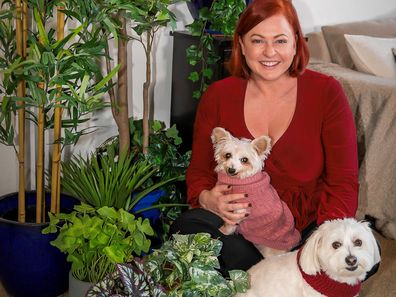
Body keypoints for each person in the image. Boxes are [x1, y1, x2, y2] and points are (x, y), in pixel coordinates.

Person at [170, 0, 359, 276]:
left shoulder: (327, 93)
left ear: (296, 43)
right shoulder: (219, 96)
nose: (270, 52)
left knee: (362, 256)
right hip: (237, 226)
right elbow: (199, 171)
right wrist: (208, 198)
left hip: (304, 227)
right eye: (257, 40)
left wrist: (324, 241)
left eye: (280, 40)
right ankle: (279, 277)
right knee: (187, 227)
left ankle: (265, 276)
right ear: (242, 44)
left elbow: (342, 182)